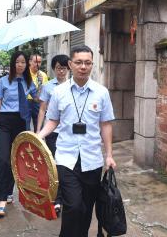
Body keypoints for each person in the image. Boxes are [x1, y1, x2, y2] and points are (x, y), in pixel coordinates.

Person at [38, 45, 116, 237]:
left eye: (87, 63)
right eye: (79, 62)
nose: (83, 66)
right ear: (71, 65)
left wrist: (109, 155)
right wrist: (40, 135)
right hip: (66, 157)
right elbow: (53, 119)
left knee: (87, 208)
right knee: (72, 205)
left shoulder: (101, 92)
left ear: (92, 65)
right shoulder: (59, 92)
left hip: (92, 160)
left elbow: (106, 124)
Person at [0, 51, 37, 217]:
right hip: (4, 122)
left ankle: (9, 192)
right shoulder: (3, 81)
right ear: (13, 64)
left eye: (23, 62)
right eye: (17, 62)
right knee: (3, 159)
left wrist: (44, 89)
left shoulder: (30, 82)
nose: (20, 65)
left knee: (16, 160)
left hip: (21, 122)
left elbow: (39, 101)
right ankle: (1, 199)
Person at [36, 54, 70, 216]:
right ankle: (57, 199)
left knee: (67, 166)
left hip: (69, 132)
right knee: (55, 166)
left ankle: (64, 197)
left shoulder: (73, 86)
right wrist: (38, 132)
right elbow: (42, 109)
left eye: (64, 68)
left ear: (68, 68)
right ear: (54, 69)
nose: (61, 71)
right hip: (52, 132)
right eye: (58, 68)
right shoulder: (49, 86)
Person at [27, 53, 48, 131]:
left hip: (38, 103)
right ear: (30, 62)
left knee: (39, 126)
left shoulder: (43, 75)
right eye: (35, 62)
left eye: (39, 62)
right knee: (25, 126)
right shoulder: (25, 74)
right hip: (26, 102)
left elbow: (45, 91)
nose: (37, 64)